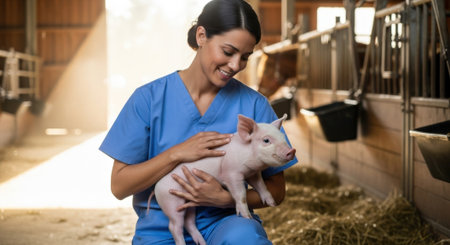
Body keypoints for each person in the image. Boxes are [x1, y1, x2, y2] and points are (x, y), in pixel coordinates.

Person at [99, 0, 297, 244]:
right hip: (163, 230)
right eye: (228, 52)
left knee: (245, 238)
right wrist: (177, 154)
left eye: (245, 57)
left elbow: (276, 192)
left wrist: (225, 199)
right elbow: (119, 186)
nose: (236, 65)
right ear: (201, 35)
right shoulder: (148, 99)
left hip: (227, 222)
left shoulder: (255, 105)